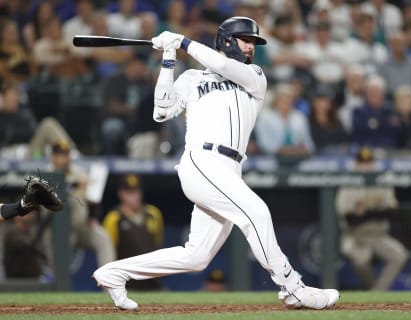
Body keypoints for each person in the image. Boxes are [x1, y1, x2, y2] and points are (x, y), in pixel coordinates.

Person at [93, 16, 339, 311]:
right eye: (245, 40)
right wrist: (169, 57)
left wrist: (183, 42)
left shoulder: (255, 75)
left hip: (230, 169)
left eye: (253, 42)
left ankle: (114, 273)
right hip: (202, 161)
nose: (250, 47)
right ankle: (293, 288)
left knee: (196, 256)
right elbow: (161, 111)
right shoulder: (192, 78)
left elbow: (223, 66)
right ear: (225, 40)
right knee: (257, 213)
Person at [335, 148, 408, 290]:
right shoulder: (348, 184)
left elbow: (392, 212)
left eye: (368, 163)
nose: (365, 167)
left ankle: (377, 293)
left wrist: (366, 212)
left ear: (373, 164)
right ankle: (375, 291)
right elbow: (350, 219)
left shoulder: (382, 182)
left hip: (378, 235)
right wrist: (376, 211)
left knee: (400, 255)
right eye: (362, 163)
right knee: (361, 260)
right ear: (356, 164)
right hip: (355, 236)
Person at [45, 140, 115, 268]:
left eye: (66, 155)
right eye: (59, 155)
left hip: (81, 226)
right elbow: (47, 211)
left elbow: (93, 199)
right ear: (53, 157)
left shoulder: (78, 173)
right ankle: (58, 285)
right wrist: (76, 188)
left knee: (103, 237)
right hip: (57, 228)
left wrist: (93, 217)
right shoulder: (45, 175)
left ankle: (109, 283)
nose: (63, 159)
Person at [102, 174, 164, 290]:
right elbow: (109, 254)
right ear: (121, 194)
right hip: (127, 284)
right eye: (129, 193)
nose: (133, 196)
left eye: (136, 192)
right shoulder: (114, 218)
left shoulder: (154, 214)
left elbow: (157, 244)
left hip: (153, 282)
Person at [255, 82, 315, 157]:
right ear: (276, 100)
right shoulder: (265, 117)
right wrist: (284, 150)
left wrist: (306, 149)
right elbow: (263, 142)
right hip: (271, 159)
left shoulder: (300, 117)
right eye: (284, 98)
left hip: (298, 158)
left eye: (290, 98)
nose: (287, 101)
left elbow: (308, 143)